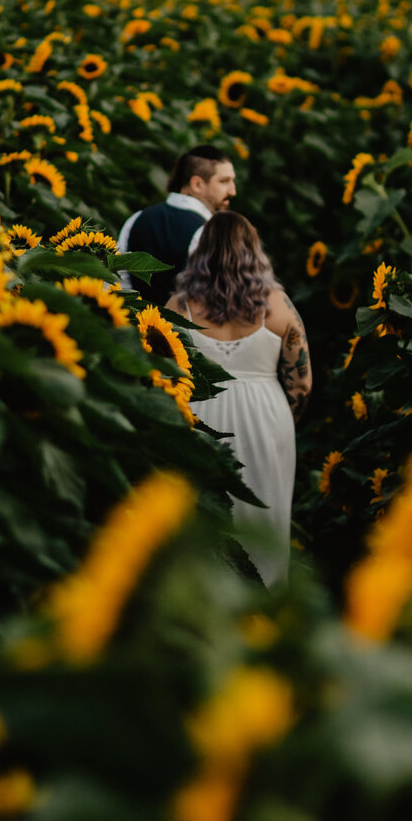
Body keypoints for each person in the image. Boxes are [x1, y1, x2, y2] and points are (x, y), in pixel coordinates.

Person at [167, 211, 311, 587]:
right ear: (254, 250)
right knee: (265, 516)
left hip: (202, 419)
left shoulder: (179, 305)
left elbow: (162, 374)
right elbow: (302, 381)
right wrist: (282, 424)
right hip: (267, 417)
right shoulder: (278, 304)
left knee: (206, 518)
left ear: (202, 253)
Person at [116, 146, 236, 306]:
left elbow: (118, 284)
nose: (232, 191)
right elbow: (216, 302)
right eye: (224, 181)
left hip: (135, 325)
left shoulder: (136, 219)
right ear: (197, 184)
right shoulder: (208, 233)